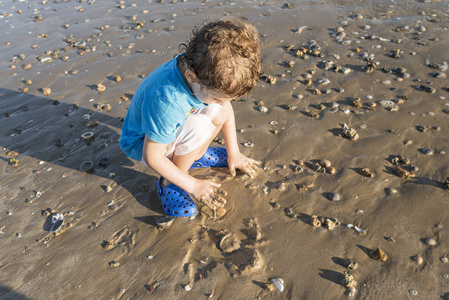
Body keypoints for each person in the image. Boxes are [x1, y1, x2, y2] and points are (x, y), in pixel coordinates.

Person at [120, 17, 262, 218]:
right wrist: (193, 185)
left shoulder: (199, 66)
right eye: (216, 97)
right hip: (142, 144)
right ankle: (169, 182)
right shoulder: (167, 101)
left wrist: (234, 153)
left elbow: (224, 106)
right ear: (191, 76)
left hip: (168, 132)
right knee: (198, 126)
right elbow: (153, 156)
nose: (223, 102)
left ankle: (190, 156)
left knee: (218, 111)